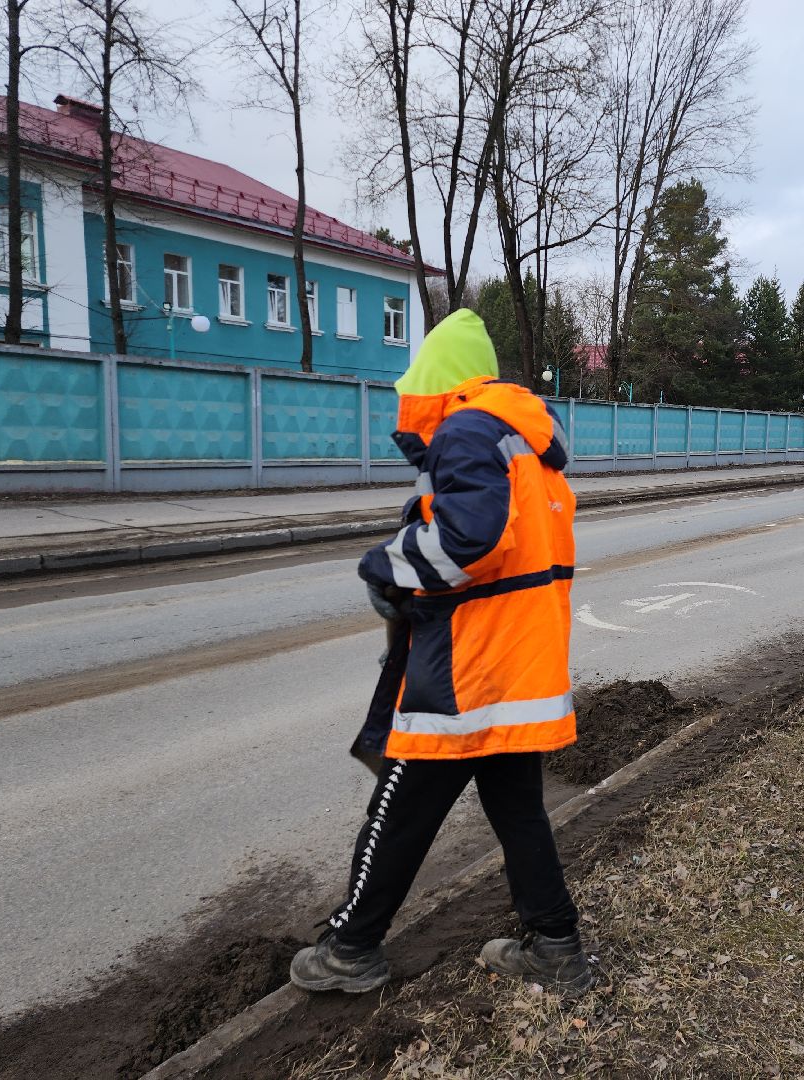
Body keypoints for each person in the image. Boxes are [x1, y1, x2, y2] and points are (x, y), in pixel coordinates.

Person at [289, 310, 591, 997]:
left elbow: (469, 538)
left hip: (466, 673)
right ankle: (558, 950)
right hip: (518, 667)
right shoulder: (522, 438)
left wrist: (386, 566)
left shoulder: (467, 430)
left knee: (399, 808)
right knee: (518, 812)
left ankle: (352, 948)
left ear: (435, 385)